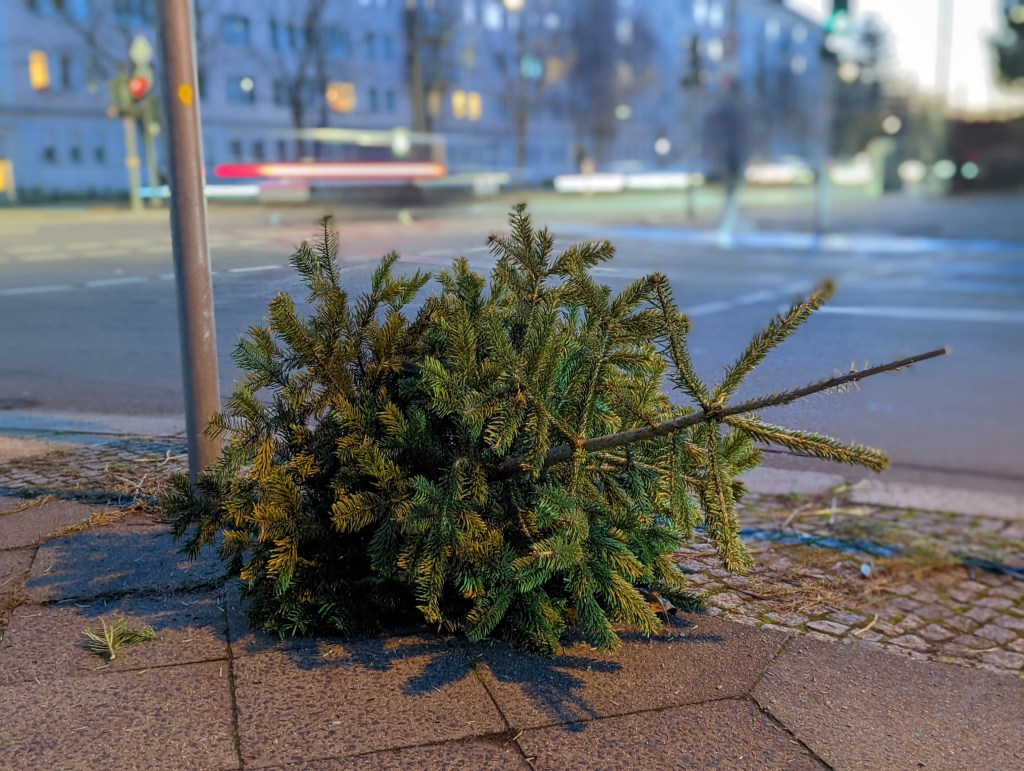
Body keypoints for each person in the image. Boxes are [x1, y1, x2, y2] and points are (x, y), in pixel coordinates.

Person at [705, 78, 748, 248]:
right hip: (732, 155)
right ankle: (729, 224)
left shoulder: (731, 109)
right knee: (731, 192)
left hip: (731, 155)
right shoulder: (736, 109)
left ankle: (730, 223)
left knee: (731, 192)